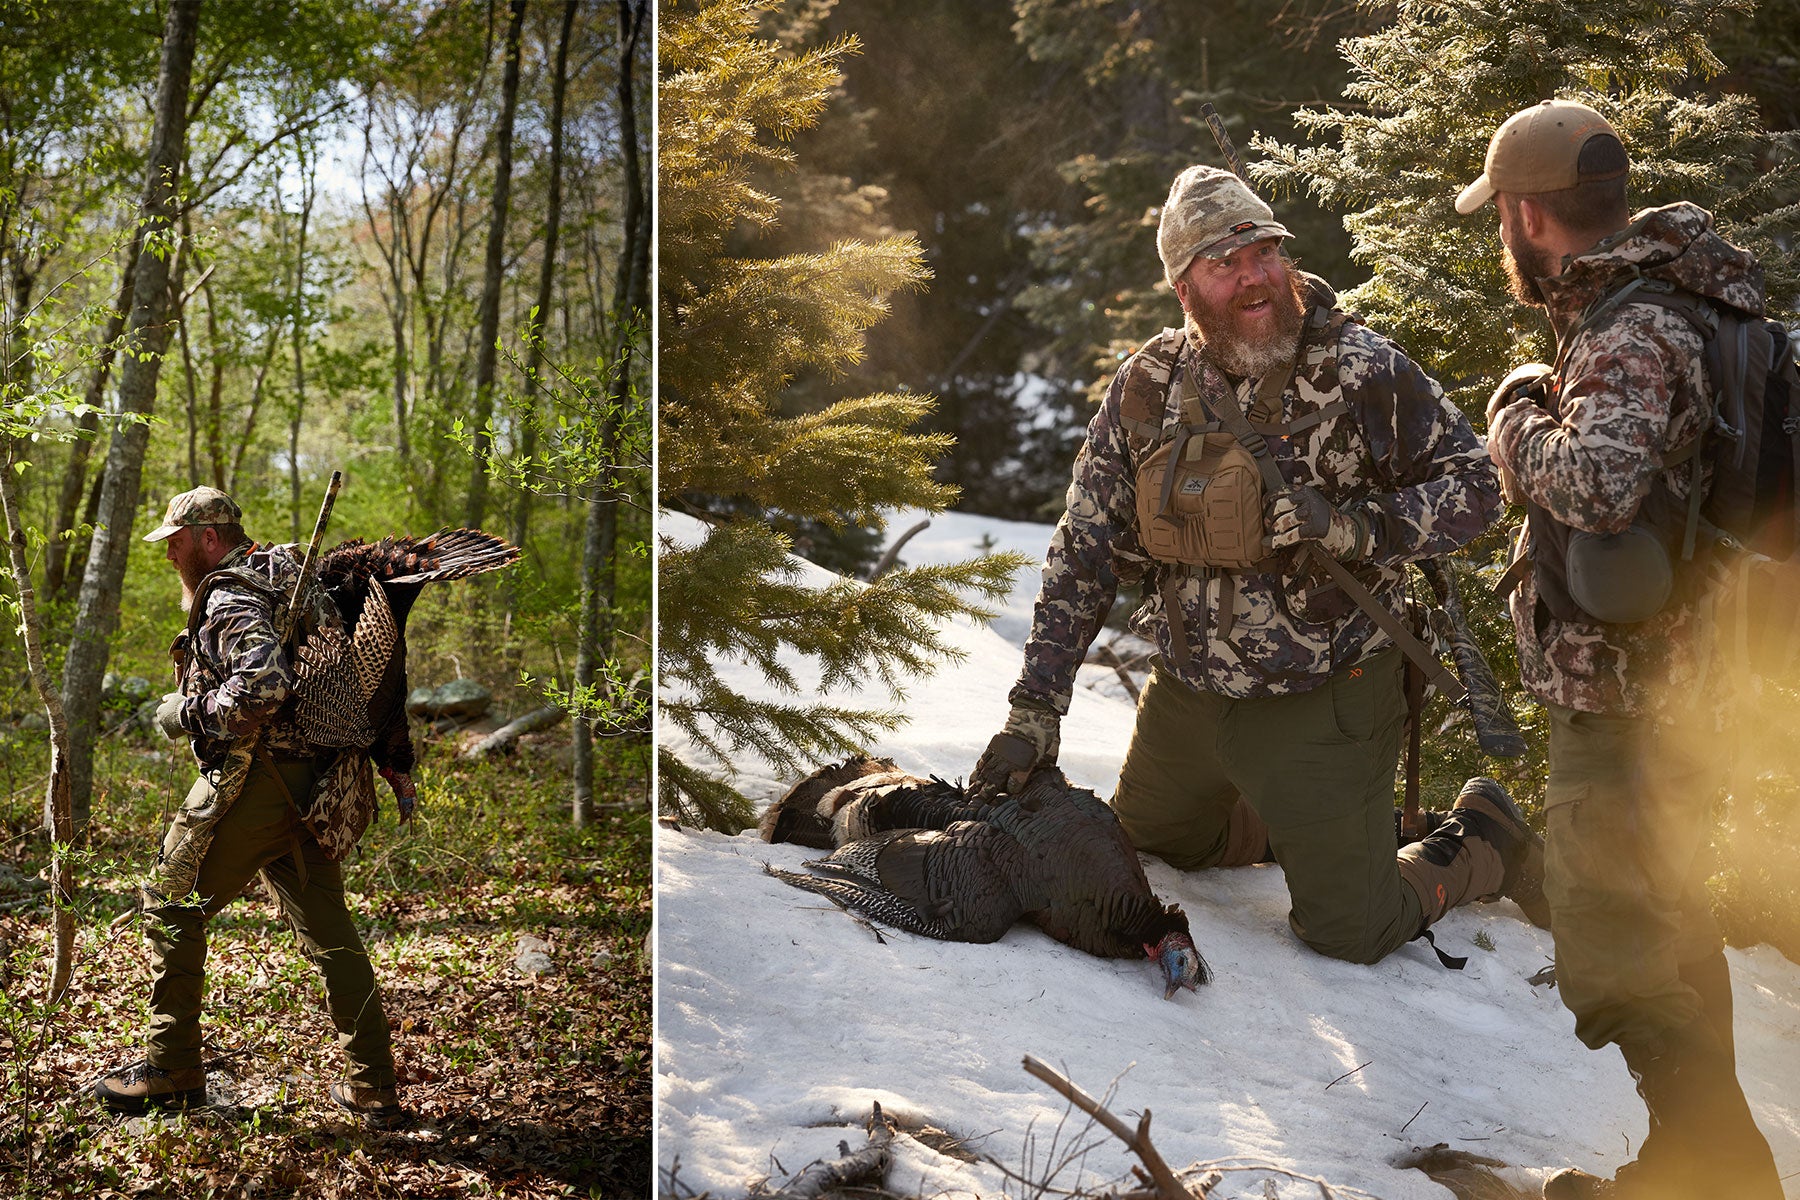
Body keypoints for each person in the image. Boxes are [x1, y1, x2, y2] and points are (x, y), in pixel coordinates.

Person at [970, 164, 1540, 968]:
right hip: (1190, 695)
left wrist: (1355, 528)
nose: (1254, 276)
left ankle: (1483, 834)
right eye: (1223, 263)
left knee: (1350, 930)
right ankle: (1292, 818)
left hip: (1326, 693)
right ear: (1183, 286)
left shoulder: (1358, 369)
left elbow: (1479, 485)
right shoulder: (1148, 386)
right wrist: (1037, 708)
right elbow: (1084, 550)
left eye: (1265, 252)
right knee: (1156, 849)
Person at [1464, 100, 1783, 1198]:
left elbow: (1596, 486)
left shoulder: (1629, 328)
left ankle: (1713, 1169)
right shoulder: (1685, 299)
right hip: (1687, 678)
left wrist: (1511, 416)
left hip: (1629, 693)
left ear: (1525, 214)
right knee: (1676, 918)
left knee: (1610, 940)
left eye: (1498, 216)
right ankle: (1705, 1167)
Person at [92, 486, 412, 1129]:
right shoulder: (290, 572)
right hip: (319, 785)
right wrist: (393, 760)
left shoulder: (231, 593)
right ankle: (374, 1083)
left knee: (170, 903)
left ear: (208, 537)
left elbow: (263, 686)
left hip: (254, 780)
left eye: (175, 542)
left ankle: (170, 1067)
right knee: (328, 927)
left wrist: (184, 712)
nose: (169, 555)